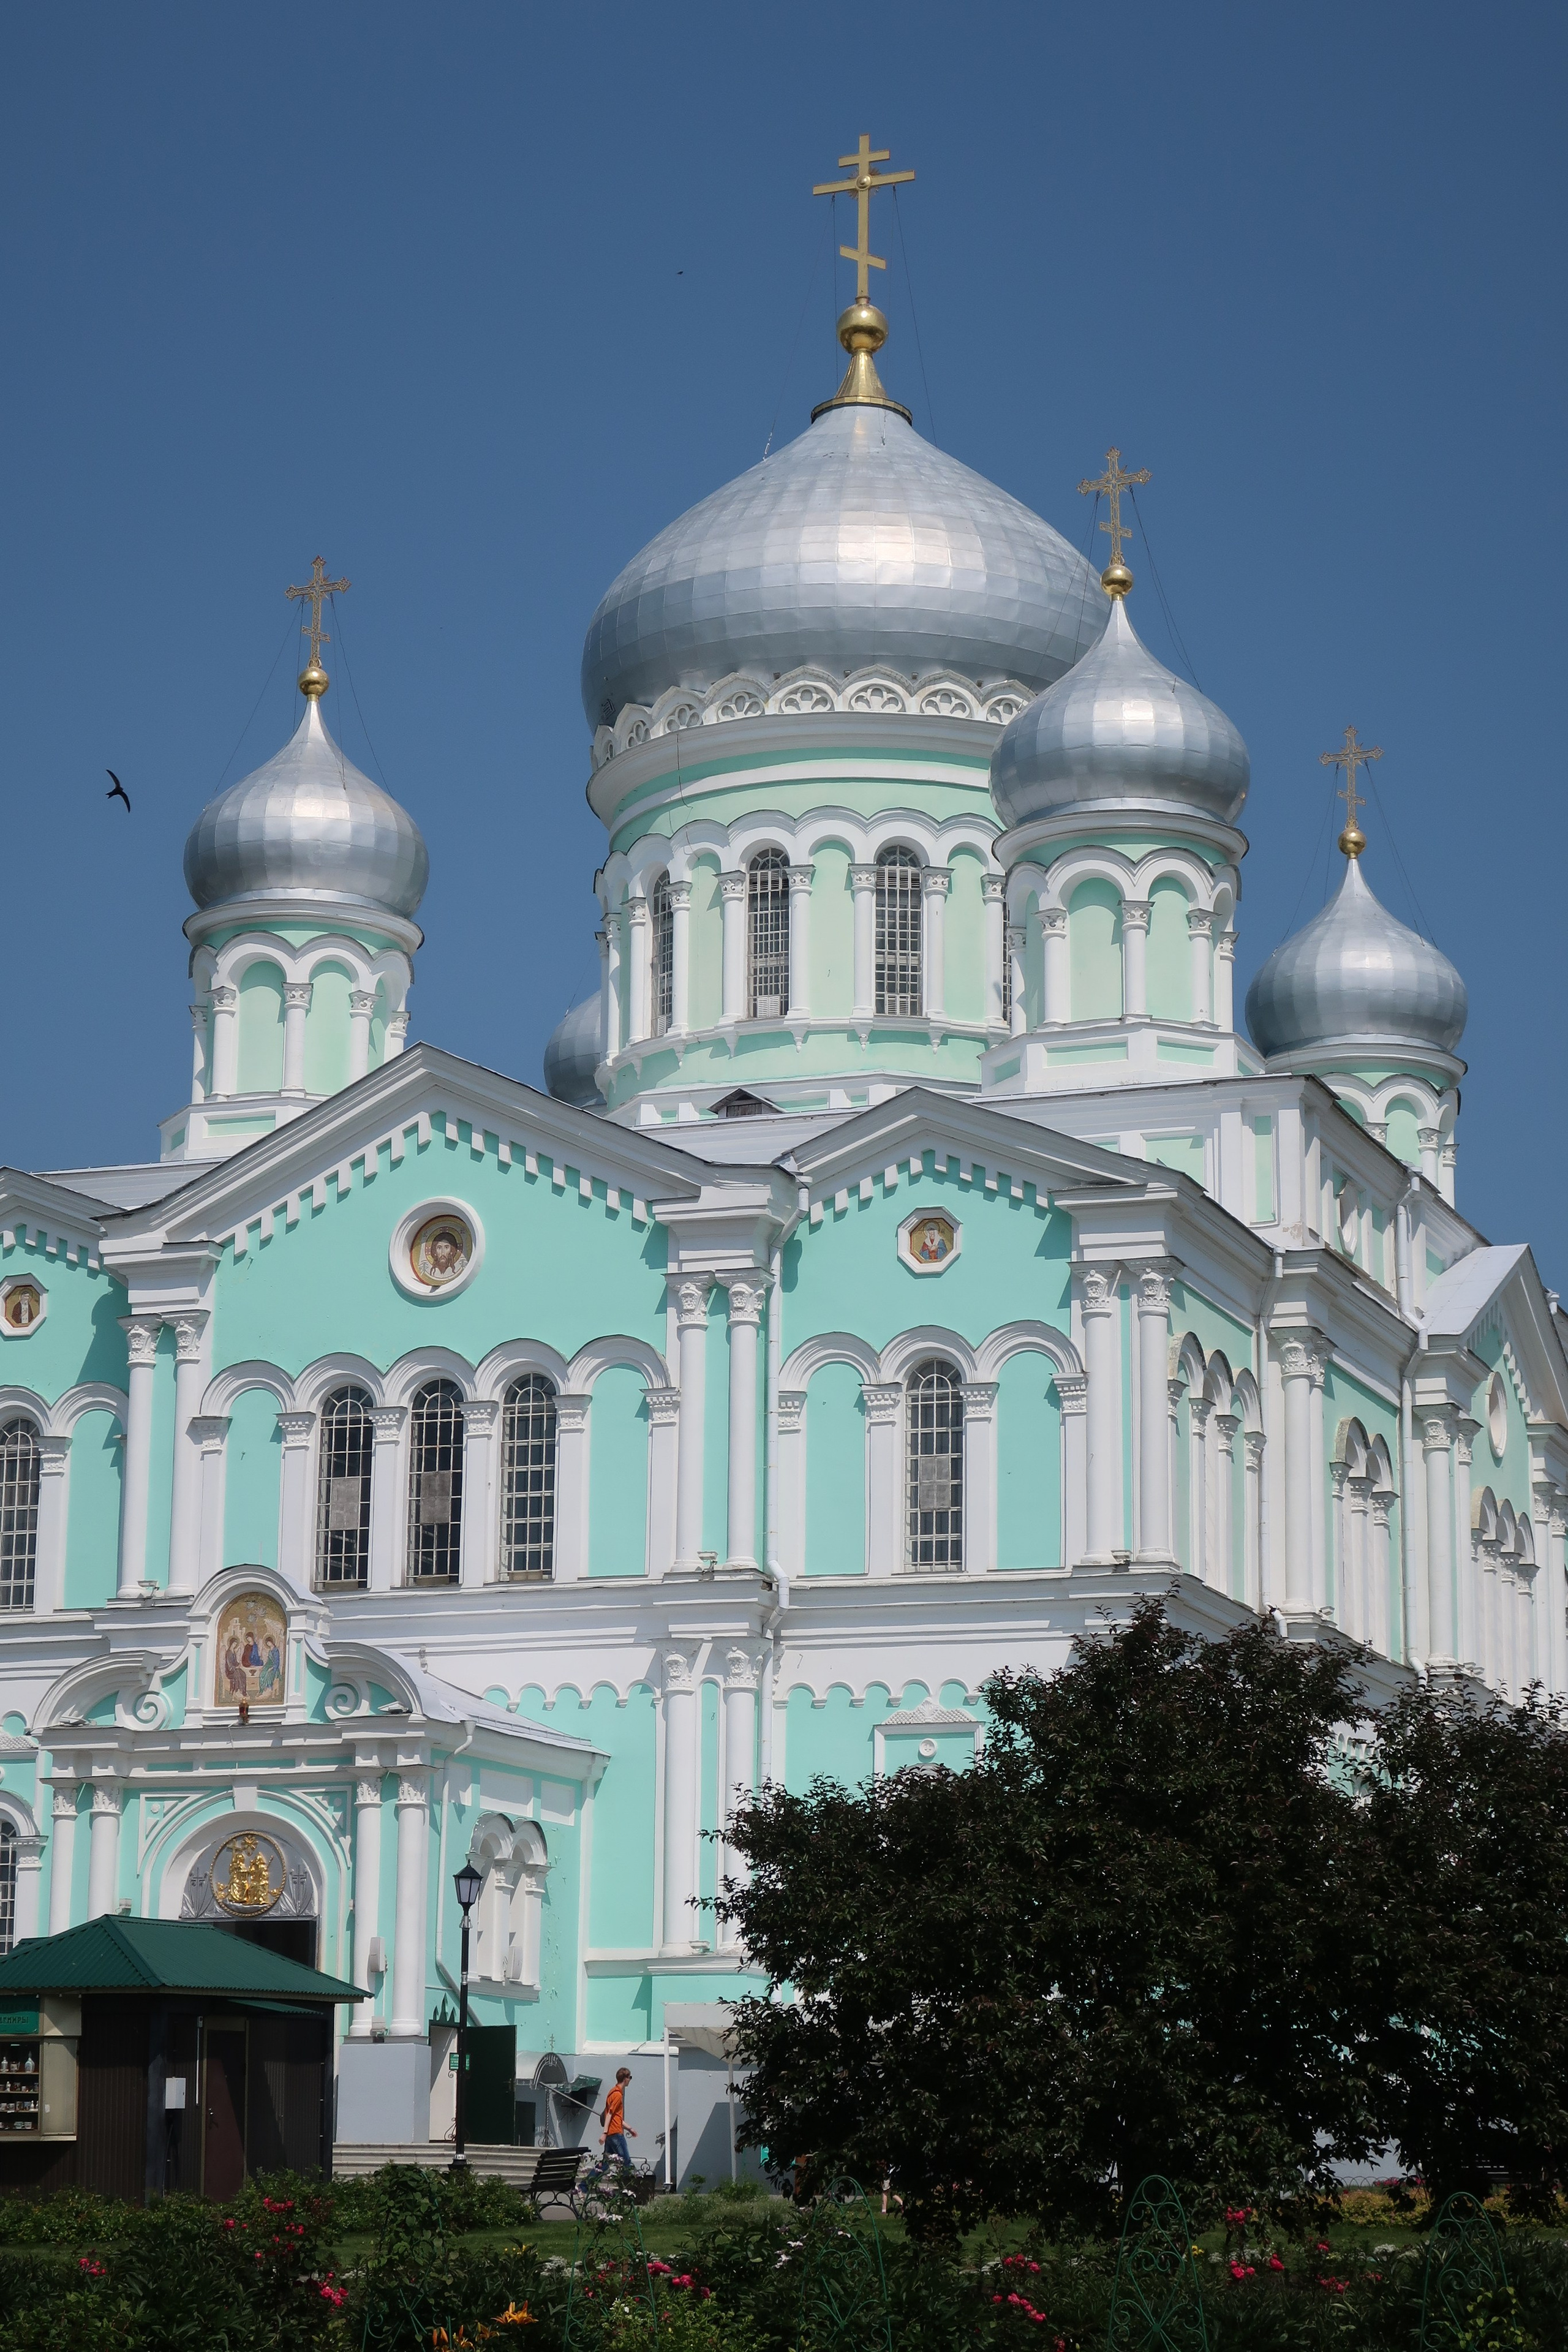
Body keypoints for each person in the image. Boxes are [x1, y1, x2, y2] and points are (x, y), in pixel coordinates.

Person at [599, 2067, 636, 2172]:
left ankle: (583, 2187)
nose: (630, 2080)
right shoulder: (617, 2095)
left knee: (605, 2164)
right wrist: (604, 2133)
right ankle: (625, 2186)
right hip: (615, 2134)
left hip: (611, 2134)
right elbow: (609, 2114)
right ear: (625, 2079)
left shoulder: (612, 2092)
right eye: (630, 2078)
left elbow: (616, 2117)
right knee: (626, 2161)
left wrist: (629, 2129)